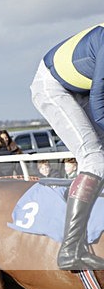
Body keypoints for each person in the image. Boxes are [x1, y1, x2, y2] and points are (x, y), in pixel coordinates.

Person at [30, 23, 104, 269]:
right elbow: (99, 105)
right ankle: (70, 250)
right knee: (95, 158)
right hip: (54, 88)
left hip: (83, 88)